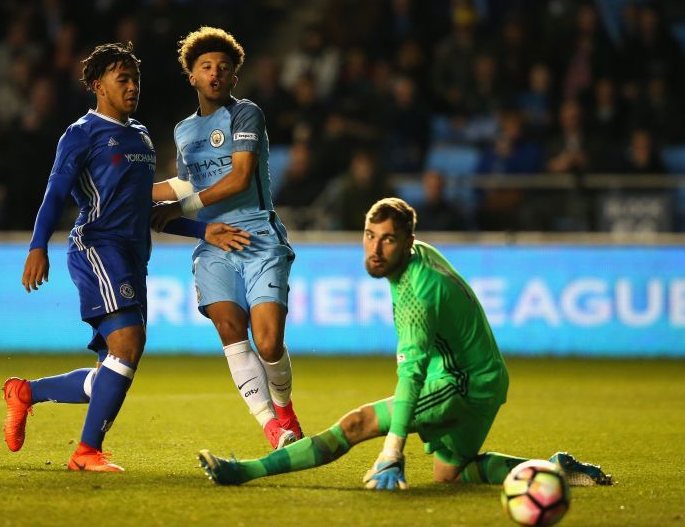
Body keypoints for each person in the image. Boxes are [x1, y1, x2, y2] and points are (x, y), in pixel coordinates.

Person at [198, 198, 613, 489]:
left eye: (387, 239)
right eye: (369, 235)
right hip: (486, 379)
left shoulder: (417, 291)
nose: (375, 249)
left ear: (408, 242)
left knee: (356, 424)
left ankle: (246, 471)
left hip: (461, 383)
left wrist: (392, 451)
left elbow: (411, 376)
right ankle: (552, 470)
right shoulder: (419, 258)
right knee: (452, 476)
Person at [2, 42, 250, 472]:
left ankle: (25, 392)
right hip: (98, 246)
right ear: (99, 86)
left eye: (136, 79)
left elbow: (144, 210)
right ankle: (85, 453)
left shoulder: (140, 135)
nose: (133, 86)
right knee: (129, 343)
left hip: (134, 254)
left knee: (112, 368)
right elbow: (55, 193)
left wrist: (201, 229)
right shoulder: (82, 133)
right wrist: (37, 245)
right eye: (123, 79)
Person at [150, 27, 303, 450]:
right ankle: (273, 429)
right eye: (206, 67)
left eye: (223, 68)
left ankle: (285, 406)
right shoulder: (183, 131)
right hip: (214, 246)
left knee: (269, 342)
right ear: (192, 76)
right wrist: (134, 191)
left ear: (234, 78)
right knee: (230, 329)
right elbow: (185, 182)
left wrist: (180, 209)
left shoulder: (245, 114)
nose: (215, 74)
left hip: (257, 237)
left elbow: (237, 179)